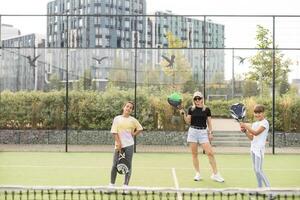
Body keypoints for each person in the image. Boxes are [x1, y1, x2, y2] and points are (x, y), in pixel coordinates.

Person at [179, 91, 224, 182]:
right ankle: (198, 174)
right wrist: (183, 114)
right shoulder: (191, 109)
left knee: (210, 153)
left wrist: (210, 132)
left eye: (199, 98)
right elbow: (188, 121)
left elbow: (209, 123)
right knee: (194, 154)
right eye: (195, 99)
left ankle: (215, 174)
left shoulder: (206, 109)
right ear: (193, 100)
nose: (197, 100)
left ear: (202, 99)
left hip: (203, 132)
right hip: (193, 132)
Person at [109, 101, 143, 187]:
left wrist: (133, 134)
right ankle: (112, 185)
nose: (128, 108)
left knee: (128, 166)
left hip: (129, 146)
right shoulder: (117, 118)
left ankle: (125, 186)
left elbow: (140, 128)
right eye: (127, 106)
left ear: (132, 110)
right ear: (124, 107)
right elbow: (114, 132)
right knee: (114, 165)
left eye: (131, 108)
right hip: (118, 146)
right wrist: (119, 144)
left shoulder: (133, 120)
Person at [240, 104, 271, 188]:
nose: (257, 114)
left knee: (259, 170)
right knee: (255, 170)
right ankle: (260, 188)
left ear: (263, 113)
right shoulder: (254, 124)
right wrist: (245, 131)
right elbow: (251, 137)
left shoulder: (265, 123)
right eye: (255, 113)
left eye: (259, 112)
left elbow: (256, 132)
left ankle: (270, 191)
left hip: (259, 150)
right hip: (253, 149)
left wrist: (245, 125)